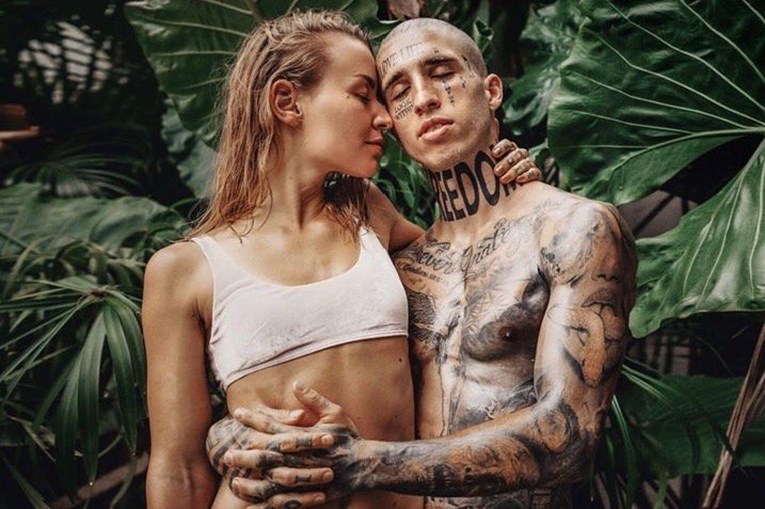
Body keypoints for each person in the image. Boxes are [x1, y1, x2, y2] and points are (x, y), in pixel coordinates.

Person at [214, 17, 638, 509]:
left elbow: (569, 438)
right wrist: (230, 432)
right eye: (398, 91)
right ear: (391, 124)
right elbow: (323, 379)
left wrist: (363, 463)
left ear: (492, 90)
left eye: (442, 74)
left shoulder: (575, 229)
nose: (423, 98)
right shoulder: (397, 268)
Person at [140, 11, 539, 509]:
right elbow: (177, 469)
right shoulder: (185, 270)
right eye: (362, 94)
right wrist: (223, 433)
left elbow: (475, 270)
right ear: (288, 102)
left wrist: (513, 189)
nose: (385, 117)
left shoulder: (369, 215)